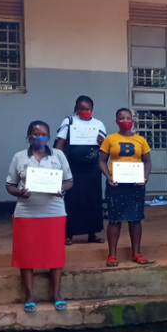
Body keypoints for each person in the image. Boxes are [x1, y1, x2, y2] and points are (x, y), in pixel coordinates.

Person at [5, 121, 74, 312]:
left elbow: (69, 181)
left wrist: (61, 189)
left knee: (55, 254)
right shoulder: (19, 157)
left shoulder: (58, 155)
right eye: (35, 134)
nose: (39, 137)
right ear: (29, 136)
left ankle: (56, 294)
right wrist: (19, 192)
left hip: (54, 212)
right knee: (26, 255)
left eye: (43, 134)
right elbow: (10, 184)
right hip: (26, 213)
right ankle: (29, 295)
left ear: (49, 136)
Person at [98, 108, 152, 267]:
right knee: (115, 219)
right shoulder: (110, 139)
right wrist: (108, 177)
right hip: (116, 184)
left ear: (132, 121)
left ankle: (136, 253)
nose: (125, 121)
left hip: (136, 184)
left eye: (128, 118)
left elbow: (147, 161)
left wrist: (145, 177)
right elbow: (102, 161)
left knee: (135, 219)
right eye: (121, 118)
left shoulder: (141, 140)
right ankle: (112, 255)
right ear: (116, 121)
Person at [54, 95, 107, 246]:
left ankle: (92, 233)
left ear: (92, 109)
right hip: (73, 167)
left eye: (87, 109)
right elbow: (60, 144)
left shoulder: (98, 124)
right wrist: (58, 163)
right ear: (76, 109)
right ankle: (68, 233)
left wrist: (103, 142)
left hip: (93, 168)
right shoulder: (69, 122)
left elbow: (105, 146)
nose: (84, 111)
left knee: (93, 199)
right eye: (81, 109)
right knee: (72, 199)